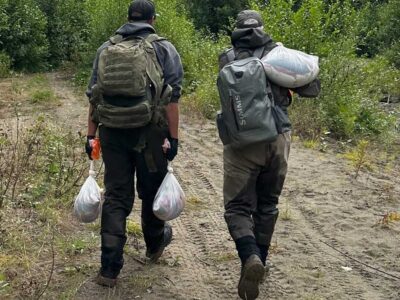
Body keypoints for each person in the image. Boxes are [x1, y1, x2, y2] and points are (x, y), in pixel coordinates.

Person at [218, 10, 321, 300]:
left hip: (242, 144)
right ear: (262, 28)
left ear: (237, 29)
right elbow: (312, 88)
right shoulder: (278, 54)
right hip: (278, 138)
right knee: (268, 204)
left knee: (238, 206)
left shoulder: (227, 57)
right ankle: (260, 258)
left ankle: (250, 257)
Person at [85, 0, 183, 287]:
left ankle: (109, 268)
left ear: (127, 18)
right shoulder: (164, 48)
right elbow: (172, 99)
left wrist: (91, 136)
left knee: (116, 196)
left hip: (112, 132)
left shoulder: (106, 48)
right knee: (151, 192)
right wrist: (173, 139)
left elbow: (94, 97)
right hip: (150, 134)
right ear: (153, 19)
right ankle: (154, 245)